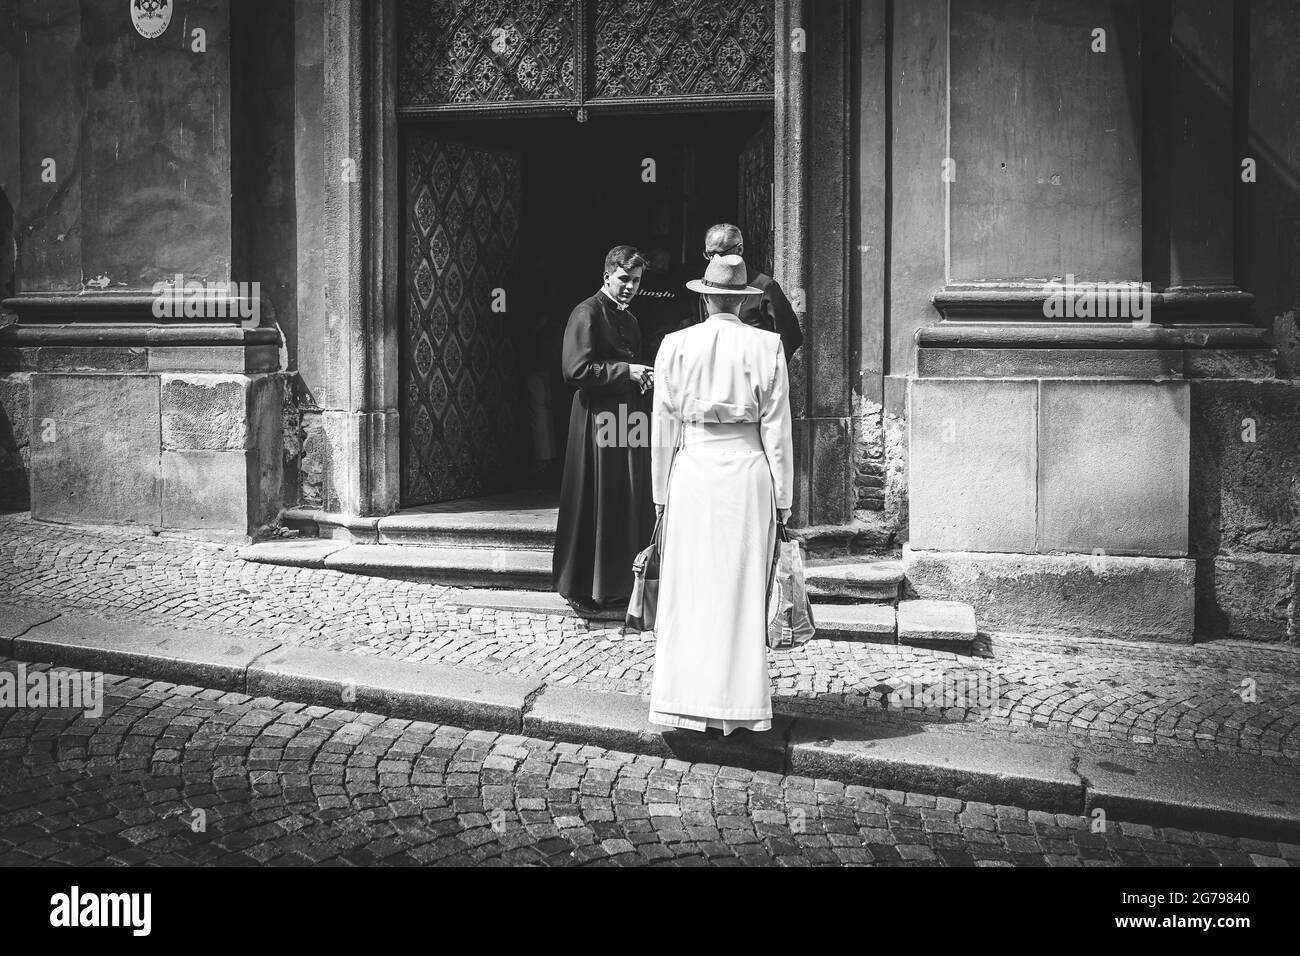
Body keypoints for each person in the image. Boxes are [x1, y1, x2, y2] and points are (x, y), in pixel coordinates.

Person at [648, 254, 794, 734]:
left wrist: (660, 492)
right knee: (740, 585)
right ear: (744, 300)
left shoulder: (674, 344)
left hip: (692, 470)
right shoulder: (767, 345)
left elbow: (663, 425)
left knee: (689, 585)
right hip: (748, 471)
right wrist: (784, 497)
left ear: (706, 296)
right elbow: (777, 430)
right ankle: (738, 704)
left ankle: (682, 698)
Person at [552, 245, 656, 615]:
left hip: (629, 419)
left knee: (627, 494)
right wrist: (626, 372)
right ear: (607, 276)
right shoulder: (587, 312)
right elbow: (575, 370)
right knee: (597, 497)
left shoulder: (630, 319)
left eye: (637, 281)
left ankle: (620, 582)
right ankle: (585, 584)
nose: (630, 287)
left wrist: (639, 379)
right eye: (624, 279)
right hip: (597, 419)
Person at [696, 223, 803, 362]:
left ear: (739, 250)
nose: (713, 260)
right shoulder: (707, 287)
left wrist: (764, 369)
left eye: (719, 254)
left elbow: (790, 339)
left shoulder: (765, 287)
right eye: (709, 254)